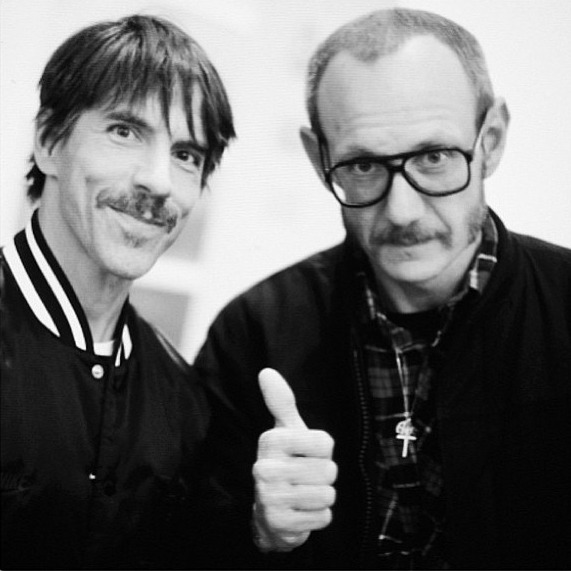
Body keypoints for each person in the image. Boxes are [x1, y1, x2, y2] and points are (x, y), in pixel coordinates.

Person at [194, 7, 571, 570]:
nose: (402, 209)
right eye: (364, 165)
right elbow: (183, 549)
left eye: (435, 157)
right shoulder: (253, 333)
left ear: (490, 140)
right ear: (320, 159)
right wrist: (258, 531)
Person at [0, 14, 235, 570]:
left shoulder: (184, 402)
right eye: (125, 131)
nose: (158, 181)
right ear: (49, 142)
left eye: (186, 155)